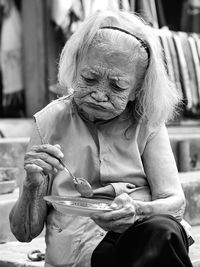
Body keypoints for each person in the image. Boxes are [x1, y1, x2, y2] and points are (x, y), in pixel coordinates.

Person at [9, 10, 193, 267]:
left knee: (161, 232)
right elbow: (24, 233)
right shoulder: (49, 121)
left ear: (137, 90)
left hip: (144, 233)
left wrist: (138, 210)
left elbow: (174, 201)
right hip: (80, 248)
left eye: (117, 86)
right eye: (89, 78)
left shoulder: (147, 120)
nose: (99, 94)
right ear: (75, 68)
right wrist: (31, 184)